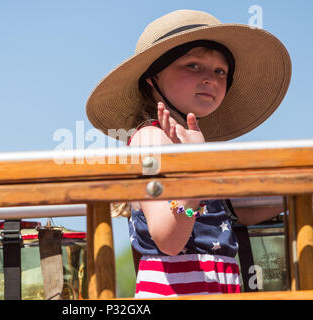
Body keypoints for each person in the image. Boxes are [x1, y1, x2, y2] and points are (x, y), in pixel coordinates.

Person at [86, 10, 291, 297]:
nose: (211, 78)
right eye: (193, 65)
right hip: (178, 289)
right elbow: (169, 238)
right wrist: (195, 169)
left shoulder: (189, 144)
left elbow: (230, 210)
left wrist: (296, 190)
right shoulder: (151, 139)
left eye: (221, 71)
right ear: (152, 79)